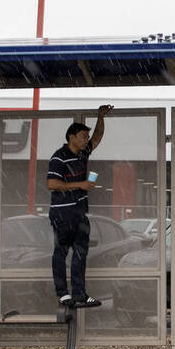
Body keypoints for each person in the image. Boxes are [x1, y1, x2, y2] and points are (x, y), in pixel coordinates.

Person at [46, 105, 113, 308]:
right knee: (61, 251)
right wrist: (80, 185)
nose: (86, 140)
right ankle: (63, 293)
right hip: (62, 212)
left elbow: (98, 138)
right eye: (83, 136)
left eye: (86, 137)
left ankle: (79, 294)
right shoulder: (59, 157)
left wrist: (100, 117)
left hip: (80, 213)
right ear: (71, 137)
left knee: (81, 252)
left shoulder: (83, 154)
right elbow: (51, 184)